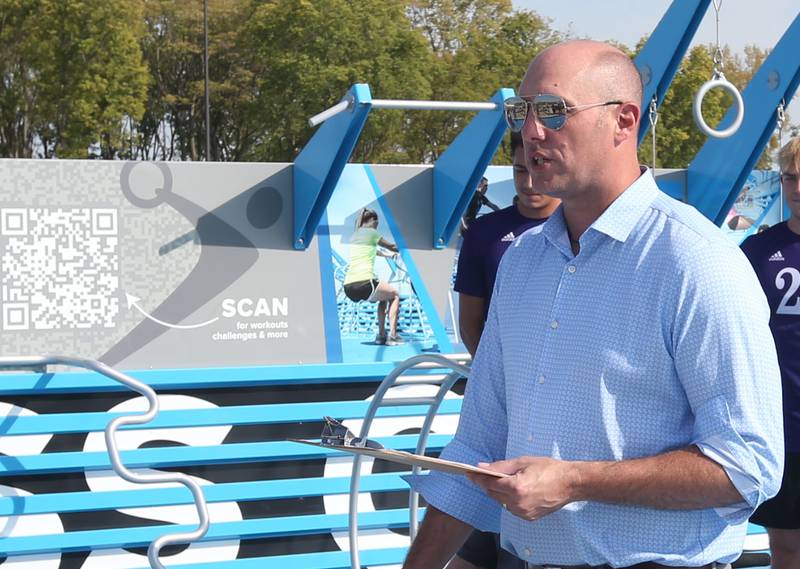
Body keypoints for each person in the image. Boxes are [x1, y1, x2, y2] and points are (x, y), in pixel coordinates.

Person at [402, 40, 783, 569]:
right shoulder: (520, 263)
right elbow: (478, 446)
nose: (531, 132)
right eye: (522, 112)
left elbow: (747, 465)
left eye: (553, 111)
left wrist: (575, 481)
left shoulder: (696, 262)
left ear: (623, 122)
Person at [450, 131, 560, 569]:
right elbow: (470, 322)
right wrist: (498, 380)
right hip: (503, 400)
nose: (530, 182)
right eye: (519, 171)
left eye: (536, 169)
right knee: (484, 500)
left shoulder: (581, 226)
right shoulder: (485, 233)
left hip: (559, 405)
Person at [741, 137, 800, 569]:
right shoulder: (757, 252)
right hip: (782, 427)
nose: (797, 187)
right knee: (787, 548)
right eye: (790, 177)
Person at [342, 208, 403, 346]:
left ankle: (381, 336)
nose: (377, 227)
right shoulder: (372, 233)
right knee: (395, 295)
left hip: (349, 287)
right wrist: (406, 248)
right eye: (377, 223)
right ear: (372, 221)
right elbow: (392, 246)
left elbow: (373, 251)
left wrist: (388, 255)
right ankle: (393, 335)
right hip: (364, 283)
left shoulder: (355, 236)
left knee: (384, 297)